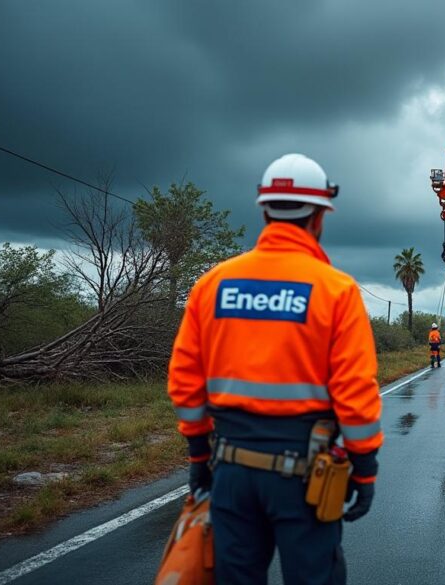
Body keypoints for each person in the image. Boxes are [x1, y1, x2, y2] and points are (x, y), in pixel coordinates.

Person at [167, 153, 381, 585]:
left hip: (230, 472)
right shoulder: (336, 291)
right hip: (306, 476)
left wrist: (198, 456)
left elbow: (184, 382)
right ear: (319, 215)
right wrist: (364, 469)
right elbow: (355, 394)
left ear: (265, 209)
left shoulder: (213, 284)